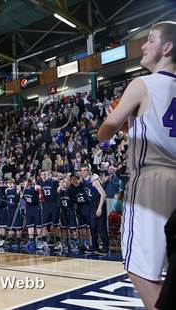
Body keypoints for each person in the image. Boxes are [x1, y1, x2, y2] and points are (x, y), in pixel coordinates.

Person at [98, 21, 176, 309]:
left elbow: (105, 130)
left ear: (167, 47)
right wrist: (129, 127)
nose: (143, 45)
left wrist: (115, 118)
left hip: (150, 185)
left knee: (139, 270)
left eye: (150, 39)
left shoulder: (142, 83)